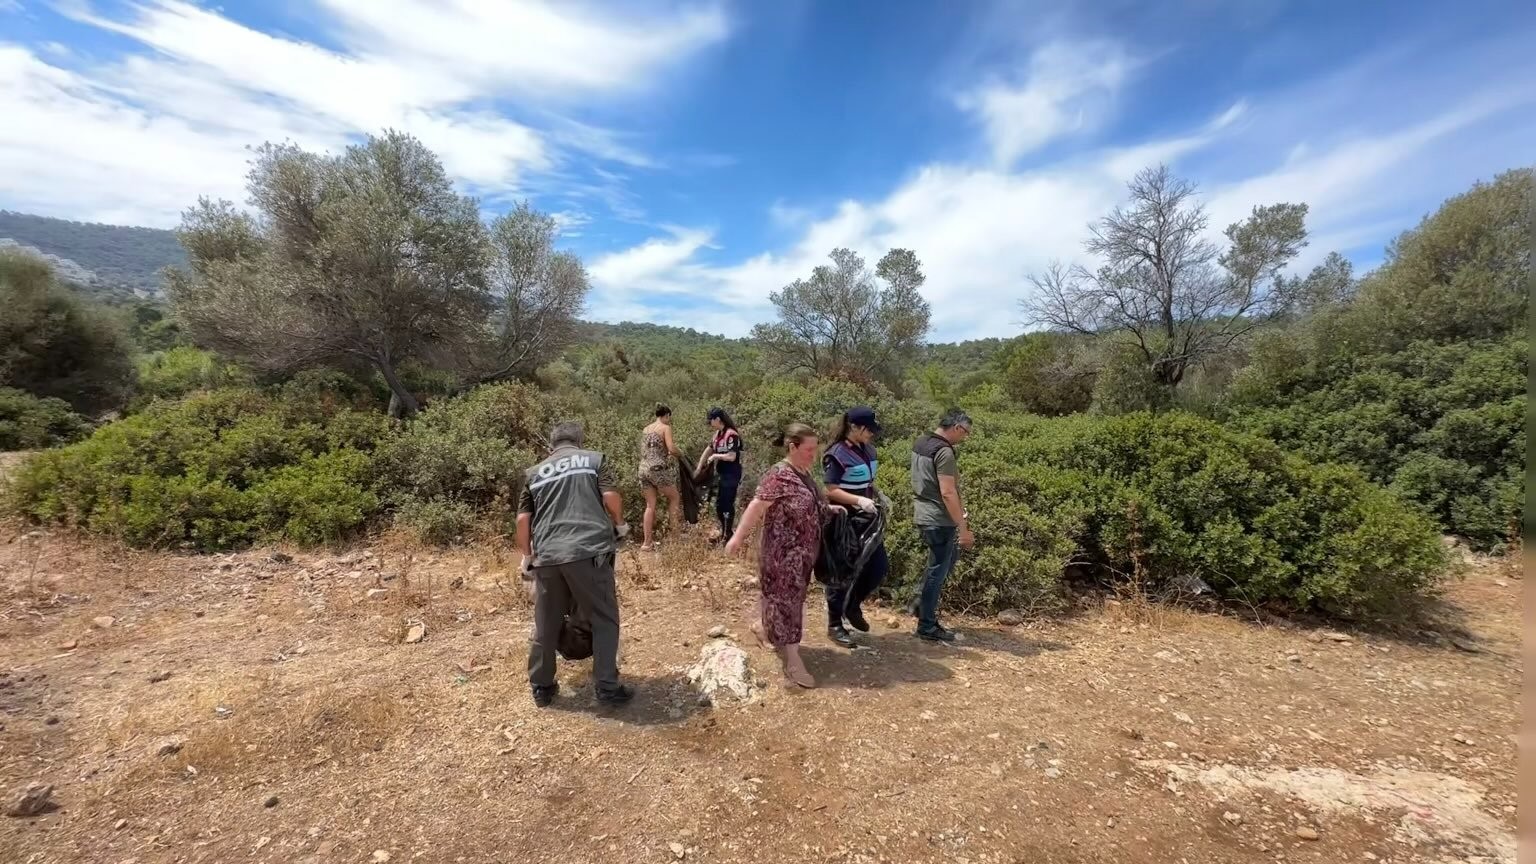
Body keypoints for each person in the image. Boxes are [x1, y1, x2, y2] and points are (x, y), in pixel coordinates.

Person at [516, 421, 634, 708]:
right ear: (579, 441)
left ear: (552, 446)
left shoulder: (534, 474)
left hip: (547, 556)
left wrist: (528, 554)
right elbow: (610, 496)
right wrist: (619, 524)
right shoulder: (594, 460)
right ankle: (606, 686)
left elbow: (522, 521)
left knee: (546, 624)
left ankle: (542, 688)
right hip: (588, 551)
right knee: (604, 618)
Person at [726, 423, 843, 688]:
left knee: (784, 599)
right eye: (809, 449)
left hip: (804, 555)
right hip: (782, 555)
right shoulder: (778, 475)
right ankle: (793, 660)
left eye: (815, 449)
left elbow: (811, 503)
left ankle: (763, 628)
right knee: (789, 603)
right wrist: (737, 537)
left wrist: (830, 509)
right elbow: (756, 507)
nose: (814, 454)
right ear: (792, 447)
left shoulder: (803, 471)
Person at [822, 405, 887, 648]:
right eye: (868, 429)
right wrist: (858, 500)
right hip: (844, 520)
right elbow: (831, 489)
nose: (871, 434)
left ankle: (853, 604)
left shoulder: (868, 449)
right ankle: (834, 624)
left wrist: (875, 493)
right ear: (854, 427)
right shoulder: (836, 454)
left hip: (867, 520)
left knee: (878, 566)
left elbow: (867, 480)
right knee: (841, 572)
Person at [910, 409, 974, 642]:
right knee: (938, 571)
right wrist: (963, 529)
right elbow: (948, 492)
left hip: (924, 514)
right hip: (939, 518)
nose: (964, 438)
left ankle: (919, 604)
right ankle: (926, 625)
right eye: (965, 433)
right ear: (957, 428)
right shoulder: (944, 452)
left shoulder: (921, 443)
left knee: (939, 566)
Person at [637, 404, 684, 551]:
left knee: (650, 505)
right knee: (674, 497)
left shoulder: (646, 429)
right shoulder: (665, 428)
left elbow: (646, 449)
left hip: (643, 468)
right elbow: (671, 448)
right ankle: (675, 537)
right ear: (667, 416)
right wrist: (679, 454)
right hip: (657, 469)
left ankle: (646, 543)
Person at [701, 407, 744, 543]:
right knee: (719, 504)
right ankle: (725, 531)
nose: (710, 423)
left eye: (711, 420)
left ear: (717, 419)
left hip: (731, 474)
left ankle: (728, 535)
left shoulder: (732, 435)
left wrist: (715, 456)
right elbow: (708, 449)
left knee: (727, 504)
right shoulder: (717, 435)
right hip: (721, 474)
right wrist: (699, 467)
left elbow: (732, 456)